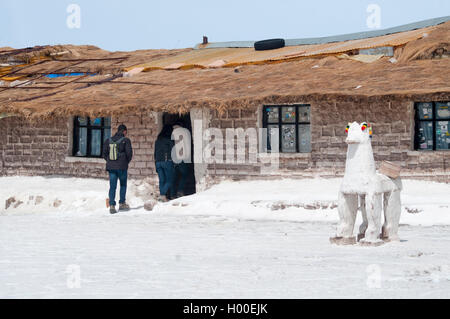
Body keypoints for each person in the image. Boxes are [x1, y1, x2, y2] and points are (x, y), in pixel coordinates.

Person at [102, 124, 133, 214]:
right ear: (124, 131)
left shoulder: (108, 140)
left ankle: (112, 205)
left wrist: (109, 161)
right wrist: (125, 162)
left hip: (111, 167)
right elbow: (129, 154)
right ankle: (122, 203)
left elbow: (104, 154)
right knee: (123, 185)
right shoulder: (126, 140)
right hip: (122, 167)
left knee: (112, 186)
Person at [154, 124, 176, 202]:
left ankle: (162, 196)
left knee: (162, 180)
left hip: (158, 162)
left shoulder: (157, 141)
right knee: (170, 180)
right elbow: (173, 152)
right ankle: (162, 195)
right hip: (167, 162)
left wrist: (156, 164)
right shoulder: (169, 140)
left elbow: (155, 153)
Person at [172, 121, 192, 197]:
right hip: (183, 157)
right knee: (185, 174)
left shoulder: (172, 132)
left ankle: (173, 193)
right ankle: (180, 190)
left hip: (174, 157)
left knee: (175, 175)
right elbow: (187, 144)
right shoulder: (185, 132)